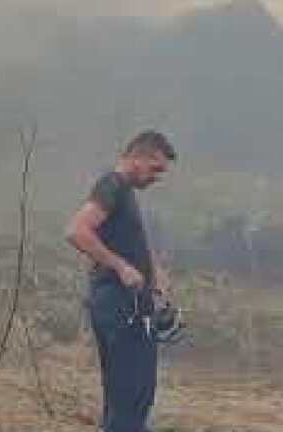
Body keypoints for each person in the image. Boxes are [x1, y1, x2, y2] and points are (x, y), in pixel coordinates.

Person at [66, 130, 177, 432]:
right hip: (119, 305)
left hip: (129, 305)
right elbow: (77, 230)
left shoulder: (125, 192)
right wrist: (121, 267)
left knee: (131, 395)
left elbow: (130, 238)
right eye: (155, 168)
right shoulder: (112, 185)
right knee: (130, 392)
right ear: (138, 156)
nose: (157, 177)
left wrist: (154, 271)